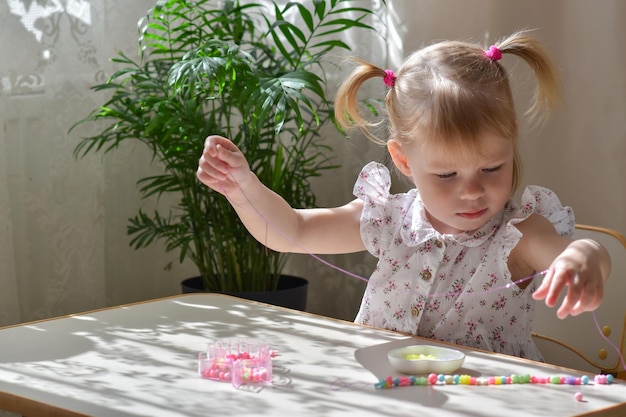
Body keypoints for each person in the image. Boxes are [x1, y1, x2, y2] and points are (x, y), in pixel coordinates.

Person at [196, 31, 611, 360]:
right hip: (383, 395)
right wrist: (243, 187)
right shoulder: (390, 220)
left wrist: (582, 260)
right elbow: (292, 231)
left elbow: (579, 251)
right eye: (446, 174)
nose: (472, 190)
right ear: (404, 160)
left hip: (486, 401)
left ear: (511, 141)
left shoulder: (517, 234)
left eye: (491, 168)